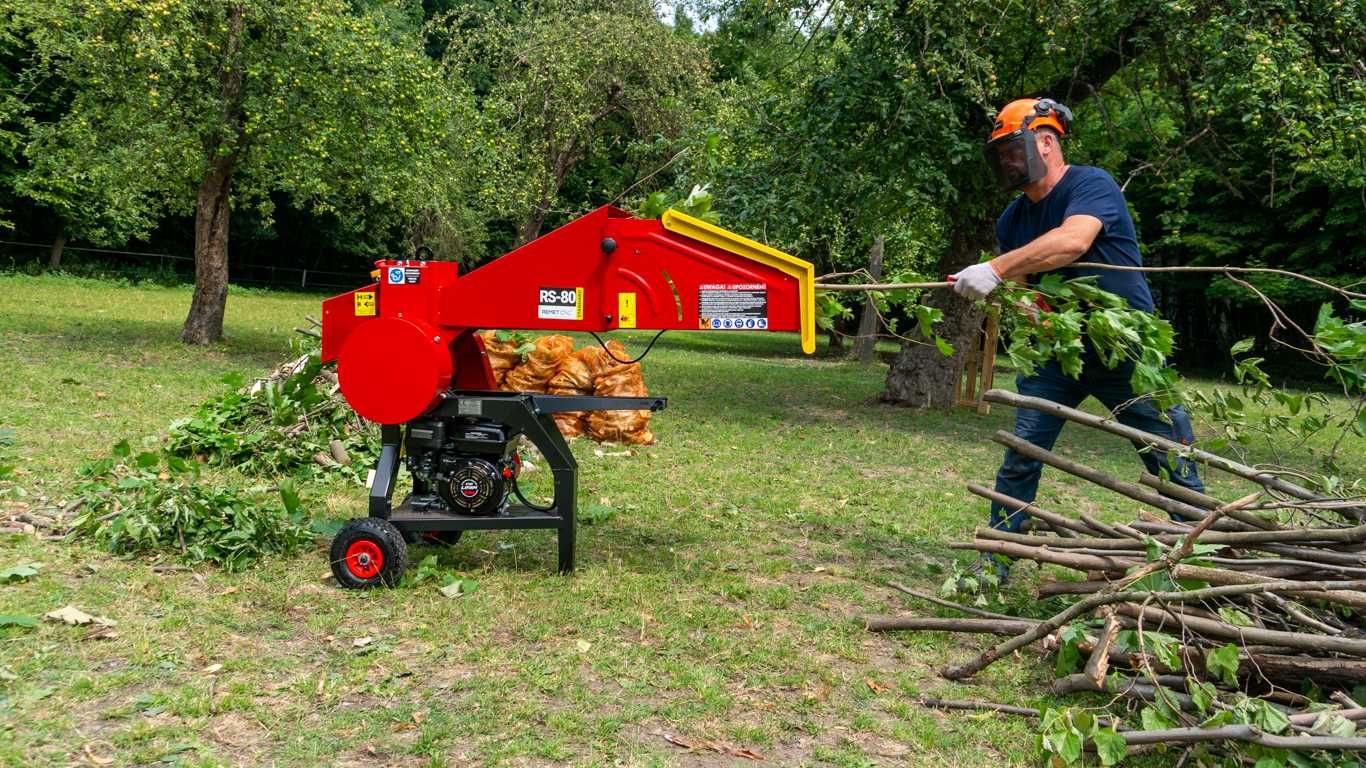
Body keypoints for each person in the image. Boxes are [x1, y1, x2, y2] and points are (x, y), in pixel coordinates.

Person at [951, 97, 1205, 580]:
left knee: (1170, 457)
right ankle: (997, 562)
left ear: (1045, 143)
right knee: (1022, 457)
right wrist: (1023, 309)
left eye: (1012, 149)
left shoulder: (1090, 185)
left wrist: (994, 267)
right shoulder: (1013, 219)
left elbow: (1074, 241)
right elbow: (1021, 294)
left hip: (1126, 349)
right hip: (1056, 357)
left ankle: (1202, 559)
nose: (1005, 161)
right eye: (999, 154)